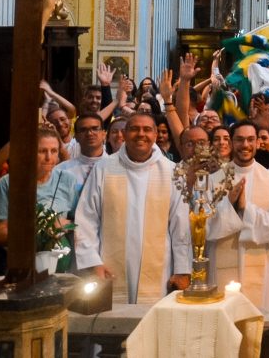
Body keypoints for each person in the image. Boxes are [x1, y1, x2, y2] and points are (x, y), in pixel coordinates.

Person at [74, 112, 191, 303]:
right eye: (134, 129)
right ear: (125, 133)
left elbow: (181, 225)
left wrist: (182, 269)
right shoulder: (105, 167)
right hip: (110, 266)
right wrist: (93, 261)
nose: (141, 134)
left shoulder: (171, 171)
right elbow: (87, 218)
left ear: (155, 135)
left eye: (147, 129)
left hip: (159, 269)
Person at [207, 120, 269, 309]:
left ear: (258, 142)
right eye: (240, 139)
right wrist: (229, 205)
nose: (245, 145)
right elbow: (204, 226)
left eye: (250, 139)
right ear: (231, 142)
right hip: (221, 265)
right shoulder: (213, 180)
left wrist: (245, 208)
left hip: (259, 267)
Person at [0, 127, 79, 258]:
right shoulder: (8, 182)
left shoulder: (68, 180)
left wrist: (66, 225)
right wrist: (45, 229)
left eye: (54, 151)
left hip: (59, 257)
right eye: (42, 151)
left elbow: (78, 222)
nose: (49, 157)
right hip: (20, 258)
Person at [56, 113, 107, 195]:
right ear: (76, 137)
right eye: (83, 130)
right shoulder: (61, 171)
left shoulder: (118, 167)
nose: (89, 133)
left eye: (95, 128)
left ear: (104, 134)